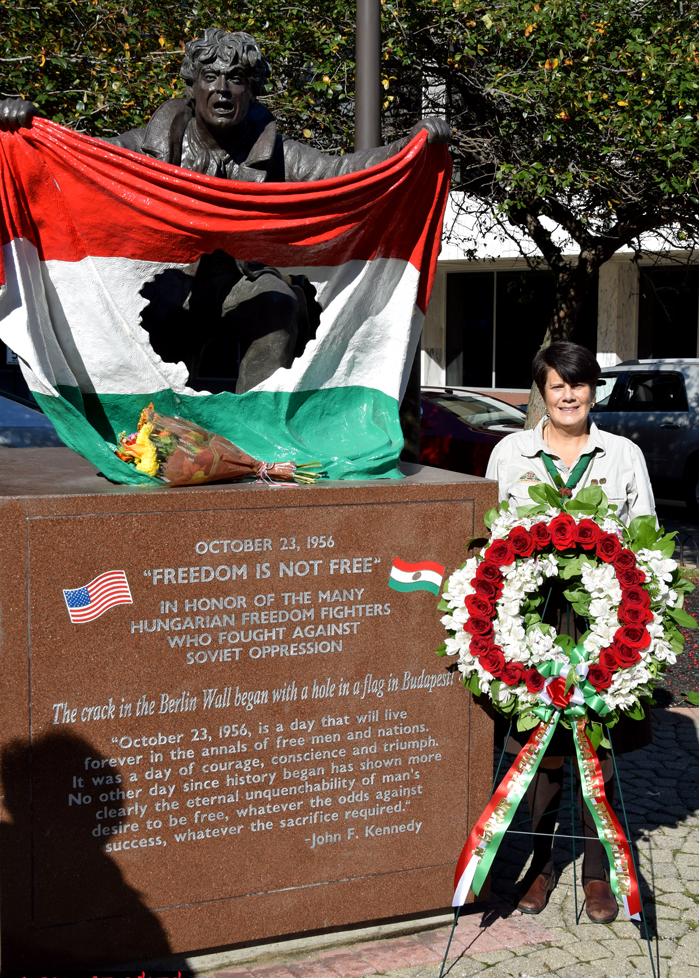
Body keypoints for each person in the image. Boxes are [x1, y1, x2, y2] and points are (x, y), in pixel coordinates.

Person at [0, 28, 450, 392]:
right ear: (191, 87)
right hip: (168, 282)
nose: (222, 89)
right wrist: (28, 132)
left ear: (251, 91)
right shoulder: (150, 147)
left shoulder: (276, 152)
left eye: (235, 78)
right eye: (210, 77)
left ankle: (259, 430)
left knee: (278, 307)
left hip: (242, 280)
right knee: (147, 322)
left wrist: (407, 147)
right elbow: (80, 162)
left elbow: (340, 171)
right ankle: (152, 438)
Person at [484, 341, 655, 923]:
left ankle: (597, 873)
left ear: (593, 391)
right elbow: (488, 539)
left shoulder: (623, 455)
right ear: (542, 391)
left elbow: (647, 542)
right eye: (557, 385)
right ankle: (541, 865)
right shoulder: (510, 453)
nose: (568, 396)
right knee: (543, 748)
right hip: (532, 623)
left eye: (578, 384)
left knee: (597, 746)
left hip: (604, 624)